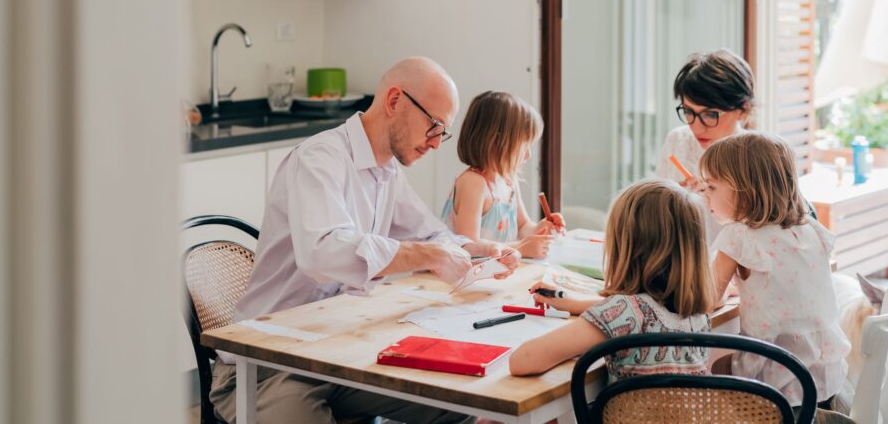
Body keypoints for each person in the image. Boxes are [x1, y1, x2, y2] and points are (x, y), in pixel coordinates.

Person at [208, 57, 520, 424]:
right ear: (394, 102)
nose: (436, 144)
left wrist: (473, 249)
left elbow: (429, 233)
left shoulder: (386, 169)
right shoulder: (319, 159)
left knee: (461, 405)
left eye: (443, 132)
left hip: (339, 350)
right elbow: (321, 253)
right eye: (434, 126)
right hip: (268, 364)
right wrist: (430, 254)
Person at [700, 132, 849, 411]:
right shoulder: (810, 229)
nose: (703, 194)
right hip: (825, 374)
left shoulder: (738, 236)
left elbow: (707, 300)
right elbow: (780, 283)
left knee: (714, 367)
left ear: (744, 190)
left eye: (711, 187)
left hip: (776, 380)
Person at [508, 179, 715, 378]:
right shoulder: (697, 310)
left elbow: (522, 361)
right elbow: (648, 307)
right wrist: (576, 302)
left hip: (635, 415)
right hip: (697, 414)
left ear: (626, 248)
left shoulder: (623, 313)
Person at [441, 91, 564, 258]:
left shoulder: (509, 181)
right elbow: (469, 246)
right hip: (458, 279)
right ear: (497, 141)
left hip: (494, 277)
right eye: (524, 145)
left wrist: (541, 228)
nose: (528, 155)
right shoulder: (473, 183)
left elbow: (522, 226)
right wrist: (521, 247)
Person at [655, 49, 755, 242]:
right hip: (681, 257)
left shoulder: (756, 155)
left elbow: (764, 231)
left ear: (743, 109)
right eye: (688, 112)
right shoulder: (678, 141)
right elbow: (658, 216)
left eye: (711, 114)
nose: (696, 126)